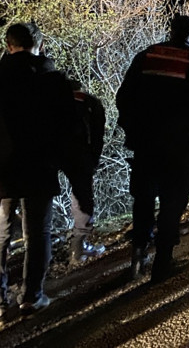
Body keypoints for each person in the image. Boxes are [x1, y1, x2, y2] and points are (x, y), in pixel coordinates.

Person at [116, 15, 189, 283]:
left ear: (171, 31)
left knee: (143, 197)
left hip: (145, 142)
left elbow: (123, 97)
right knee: (173, 199)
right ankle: (163, 263)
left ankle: (138, 257)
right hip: (177, 143)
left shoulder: (147, 55)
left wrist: (132, 128)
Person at [0, 22, 77, 319]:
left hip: (2, 168)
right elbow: (68, 127)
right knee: (37, 232)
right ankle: (32, 296)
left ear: (9, 46)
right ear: (40, 45)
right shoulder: (53, 79)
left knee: (1, 233)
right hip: (39, 165)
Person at [64, 80, 107, 266]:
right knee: (82, 197)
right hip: (81, 154)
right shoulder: (90, 102)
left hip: (49, 154)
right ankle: (79, 247)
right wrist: (93, 159)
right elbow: (98, 133)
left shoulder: (48, 99)